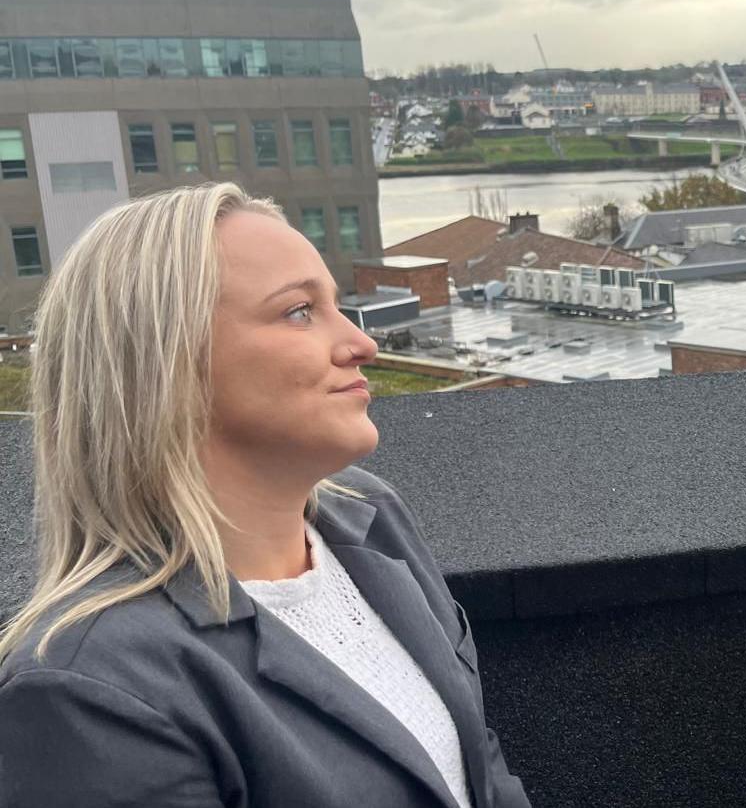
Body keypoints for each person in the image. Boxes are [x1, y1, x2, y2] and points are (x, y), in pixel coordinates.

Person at [0, 184, 531, 807]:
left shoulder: (367, 517)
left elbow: (480, 771)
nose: (362, 344)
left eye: (338, 305)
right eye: (300, 311)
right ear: (166, 363)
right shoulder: (91, 685)